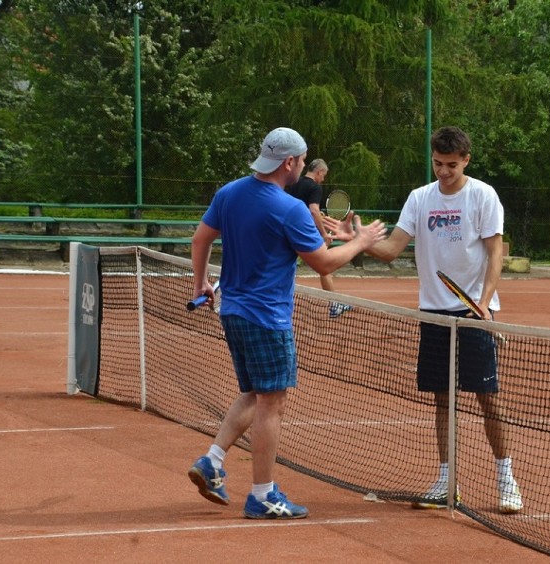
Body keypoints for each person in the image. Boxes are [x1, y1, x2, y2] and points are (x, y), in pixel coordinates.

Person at [187, 127, 386, 520]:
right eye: (302, 159)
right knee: (272, 404)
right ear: (290, 163)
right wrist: (360, 243)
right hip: (267, 318)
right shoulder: (288, 208)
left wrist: (201, 282)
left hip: (232, 311)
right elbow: (324, 263)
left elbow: (200, 239)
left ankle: (212, 460)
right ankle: (262, 494)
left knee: (256, 393)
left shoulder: (229, 193)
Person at [323, 126, 523, 514]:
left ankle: (506, 478)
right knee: (442, 398)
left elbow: (495, 254)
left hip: (473, 314)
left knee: (487, 398)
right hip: (433, 313)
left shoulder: (483, 196)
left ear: (466, 160)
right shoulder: (420, 199)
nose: (443, 171)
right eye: (437, 163)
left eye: (451, 165)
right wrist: (358, 241)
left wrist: (483, 303)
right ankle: (448, 480)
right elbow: (391, 249)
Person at [286, 158, 352, 318]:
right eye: (324, 175)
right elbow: (313, 210)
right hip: (305, 232)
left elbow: (301, 208)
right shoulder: (315, 187)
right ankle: (335, 304)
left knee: (283, 265)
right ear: (319, 172)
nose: (323, 179)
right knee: (325, 265)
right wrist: (323, 234)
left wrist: (318, 218)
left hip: (288, 228)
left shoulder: (295, 182)